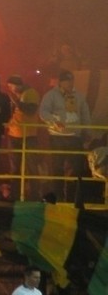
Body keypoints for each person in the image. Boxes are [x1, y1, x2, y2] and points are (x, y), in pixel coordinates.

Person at [39, 70, 91, 202]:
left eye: (71, 80)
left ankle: (74, 199)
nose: (69, 83)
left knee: (77, 170)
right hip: (57, 137)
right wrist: (54, 121)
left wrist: (87, 131)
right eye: (66, 80)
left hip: (75, 137)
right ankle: (58, 199)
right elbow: (43, 112)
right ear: (60, 82)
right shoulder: (51, 95)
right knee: (57, 168)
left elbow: (85, 114)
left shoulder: (79, 96)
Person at [6, 75, 41, 201]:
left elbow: (31, 110)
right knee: (15, 168)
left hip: (29, 135)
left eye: (11, 86)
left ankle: (34, 195)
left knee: (32, 167)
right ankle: (15, 195)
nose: (10, 89)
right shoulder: (19, 96)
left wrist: (16, 102)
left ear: (18, 84)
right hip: (14, 134)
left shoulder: (31, 93)